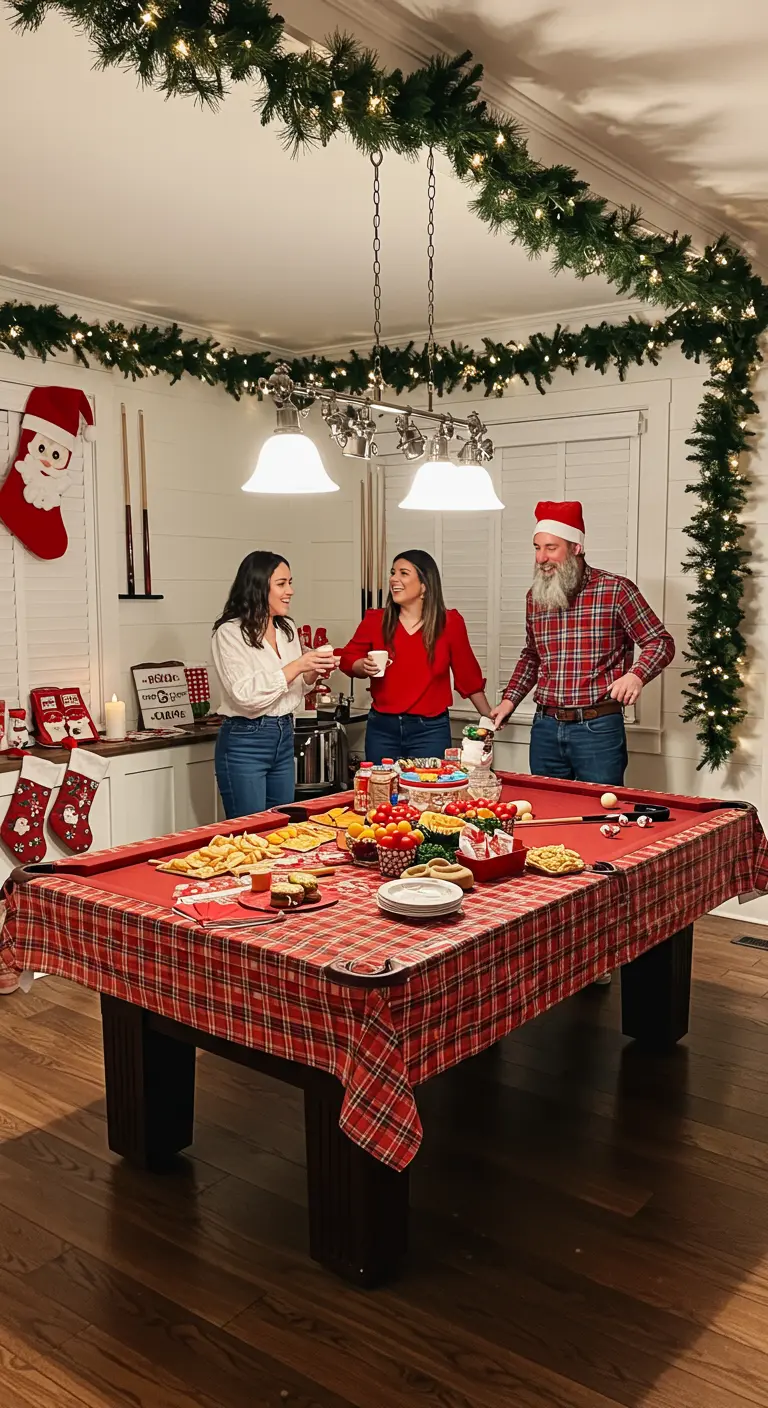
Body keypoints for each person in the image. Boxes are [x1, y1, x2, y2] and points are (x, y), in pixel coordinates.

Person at [490, 500, 675, 784]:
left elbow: (660, 642)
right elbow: (532, 655)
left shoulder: (615, 590)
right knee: (548, 813)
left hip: (598, 728)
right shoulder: (535, 597)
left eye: (551, 548)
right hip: (545, 728)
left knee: (602, 814)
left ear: (577, 548)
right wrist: (508, 701)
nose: (541, 558)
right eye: (537, 548)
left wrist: (636, 675)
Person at [339, 549, 493, 764]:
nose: (394, 579)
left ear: (424, 585)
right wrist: (362, 666)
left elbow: (468, 676)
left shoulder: (449, 623)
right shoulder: (376, 620)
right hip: (382, 729)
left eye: (403, 573)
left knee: (429, 794)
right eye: (393, 573)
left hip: (429, 731)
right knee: (382, 792)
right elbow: (347, 659)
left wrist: (490, 717)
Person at [212, 552, 335, 818]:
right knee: (250, 831)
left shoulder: (286, 628)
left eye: (290, 582)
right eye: (281, 584)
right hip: (245, 740)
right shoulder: (229, 633)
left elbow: (295, 688)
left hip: (284, 734)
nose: (290, 591)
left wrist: (313, 672)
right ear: (258, 586)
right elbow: (245, 695)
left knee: (281, 826)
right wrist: (299, 665)